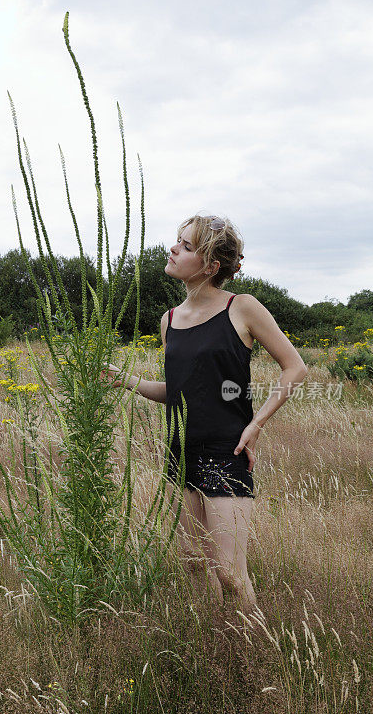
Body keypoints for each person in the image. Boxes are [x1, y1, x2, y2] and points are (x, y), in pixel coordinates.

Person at [101, 213, 307, 614]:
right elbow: (178, 393)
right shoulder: (169, 320)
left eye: (187, 246)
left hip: (226, 451)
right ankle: (215, 643)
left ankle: (257, 654)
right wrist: (126, 380)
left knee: (230, 572)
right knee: (195, 563)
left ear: (211, 266)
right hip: (181, 450)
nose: (174, 248)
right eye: (177, 241)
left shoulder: (242, 308)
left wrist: (257, 422)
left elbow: (295, 367)